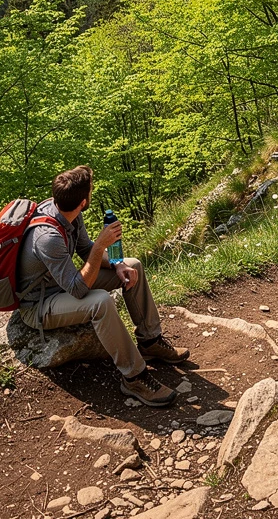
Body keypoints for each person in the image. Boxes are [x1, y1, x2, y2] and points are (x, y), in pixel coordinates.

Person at [16, 165, 189, 408]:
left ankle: (150, 342)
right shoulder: (48, 237)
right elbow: (79, 288)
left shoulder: (68, 211)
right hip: (40, 304)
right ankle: (134, 377)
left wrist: (117, 265)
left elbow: (85, 250)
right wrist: (101, 246)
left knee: (133, 266)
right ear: (84, 201)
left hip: (63, 282)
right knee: (100, 302)